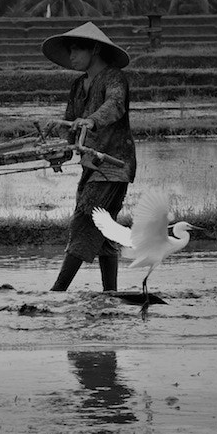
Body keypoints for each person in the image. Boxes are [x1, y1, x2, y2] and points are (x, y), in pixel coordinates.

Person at [40, 21, 136, 292]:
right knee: (104, 233)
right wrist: (57, 151)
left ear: (93, 49)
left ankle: (57, 292)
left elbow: (115, 105)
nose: (71, 56)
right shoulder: (78, 85)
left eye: (76, 50)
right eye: (69, 50)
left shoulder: (114, 78)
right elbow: (71, 125)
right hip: (91, 165)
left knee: (86, 221)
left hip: (114, 164)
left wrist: (92, 121)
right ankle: (111, 293)